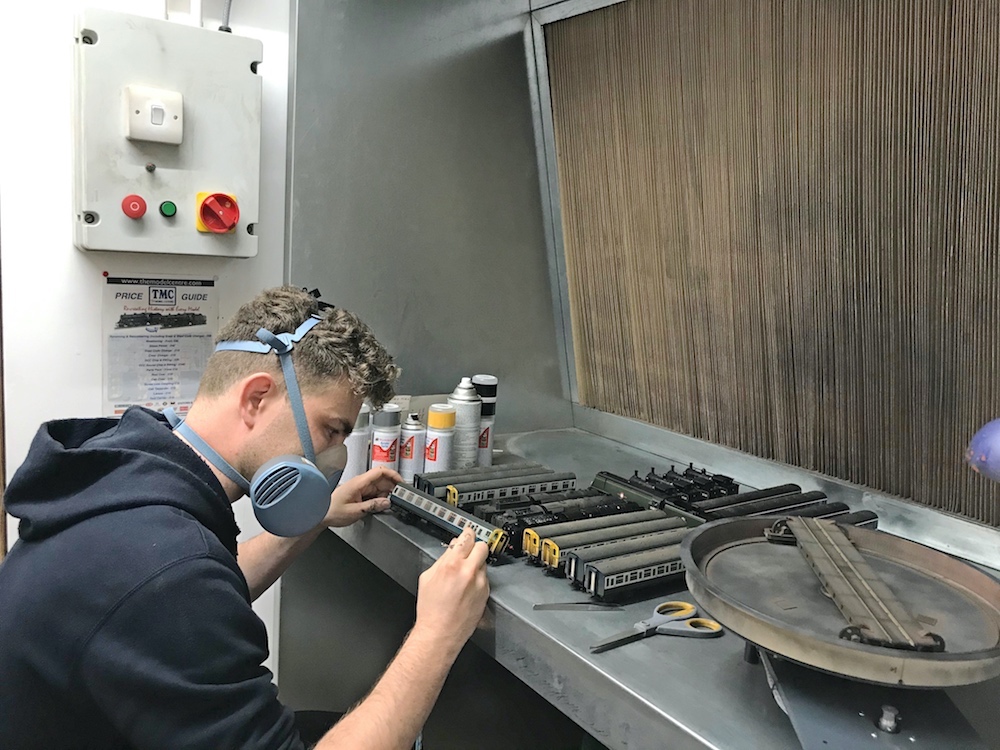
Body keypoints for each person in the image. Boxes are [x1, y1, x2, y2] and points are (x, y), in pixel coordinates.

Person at [0, 285, 490, 749]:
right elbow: (180, 588)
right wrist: (437, 632)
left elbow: (210, 586)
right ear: (257, 398)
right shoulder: (166, 570)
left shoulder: (127, 471)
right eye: (331, 429)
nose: (335, 456)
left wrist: (315, 518)